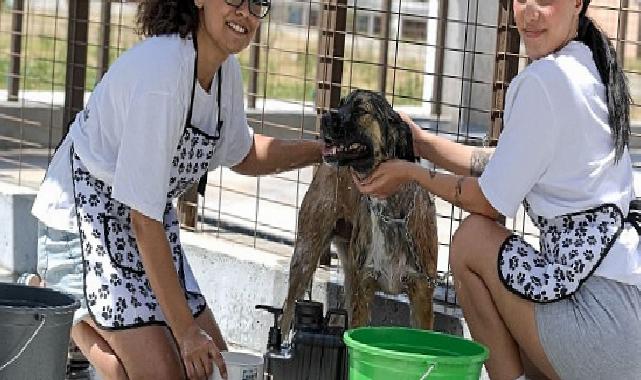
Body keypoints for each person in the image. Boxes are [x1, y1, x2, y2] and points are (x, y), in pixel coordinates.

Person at [28, 1, 323, 379]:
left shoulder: (224, 72)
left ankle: (95, 320)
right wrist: (185, 332)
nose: (245, 13)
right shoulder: (163, 72)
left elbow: (244, 153)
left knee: (213, 369)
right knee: (160, 373)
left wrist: (322, 152)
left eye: (256, 4)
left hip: (143, 222)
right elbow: (143, 219)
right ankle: (65, 305)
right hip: (83, 221)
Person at [353, 0, 641, 379]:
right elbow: (503, 163)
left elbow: (489, 201)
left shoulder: (546, 81)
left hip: (601, 328)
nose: (531, 12)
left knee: (472, 239)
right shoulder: (587, 64)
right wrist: (420, 142)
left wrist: (412, 174)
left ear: (577, 3)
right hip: (626, 320)